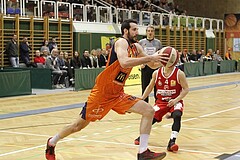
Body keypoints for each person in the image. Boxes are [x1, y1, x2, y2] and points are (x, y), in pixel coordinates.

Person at [45, 19, 168, 160]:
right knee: (77, 126)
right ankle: (52, 142)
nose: (137, 32)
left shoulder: (137, 47)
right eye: (134, 29)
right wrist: (150, 58)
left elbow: (151, 64)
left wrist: (164, 61)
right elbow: (124, 61)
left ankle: (143, 152)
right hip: (103, 93)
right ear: (125, 31)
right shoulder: (121, 42)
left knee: (149, 110)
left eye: (137, 30)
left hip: (118, 94)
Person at [134, 49, 189, 153]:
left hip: (175, 100)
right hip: (161, 102)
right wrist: (142, 98)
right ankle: (141, 137)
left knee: (177, 115)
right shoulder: (156, 73)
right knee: (150, 117)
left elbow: (186, 89)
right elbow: (150, 87)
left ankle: (172, 142)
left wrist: (176, 100)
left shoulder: (179, 73)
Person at [139, 25, 162, 103]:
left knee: (157, 86)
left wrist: (159, 64)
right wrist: (140, 63)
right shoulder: (141, 42)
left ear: (154, 32)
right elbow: (138, 54)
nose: (150, 33)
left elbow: (160, 54)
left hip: (155, 67)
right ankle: (145, 105)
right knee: (145, 86)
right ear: (146, 32)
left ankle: (158, 104)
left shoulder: (158, 42)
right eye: (148, 31)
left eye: (151, 31)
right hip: (145, 67)